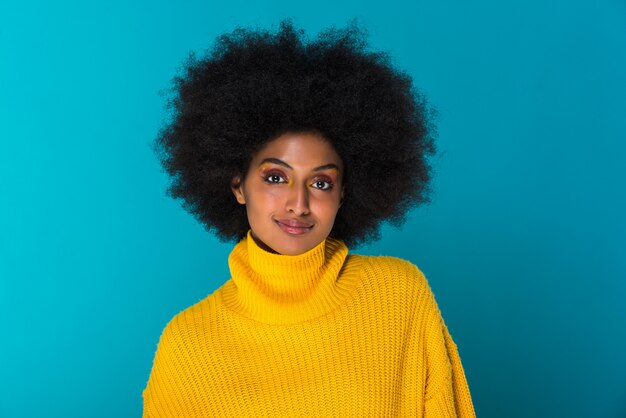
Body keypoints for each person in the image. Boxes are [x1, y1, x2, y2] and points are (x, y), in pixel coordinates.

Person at [143, 20, 475, 417]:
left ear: (343, 194)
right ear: (237, 186)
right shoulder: (188, 343)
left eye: (320, 183)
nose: (298, 203)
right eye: (275, 177)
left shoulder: (399, 296)